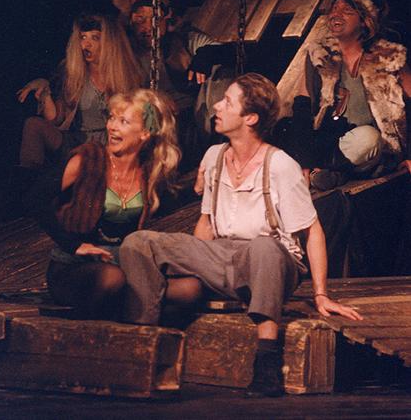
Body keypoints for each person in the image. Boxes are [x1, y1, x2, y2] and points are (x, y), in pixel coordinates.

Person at [119, 73, 361, 397]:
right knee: (139, 242)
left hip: (271, 259)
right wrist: (197, 263)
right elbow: (206, 222)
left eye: (227, 102)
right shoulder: (214, 157)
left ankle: (266, 359)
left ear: (250, 118)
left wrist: (320, 294)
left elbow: (312, 229)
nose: (217, 106)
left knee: (264, 247)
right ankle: (145, 339)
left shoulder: (281, 165)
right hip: (223, 254)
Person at [30, 89, 201, 320]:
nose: (112, 127)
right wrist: (73, 245)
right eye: (112, 118)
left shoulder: (147, 172)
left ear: (145, 133)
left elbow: (170, 200)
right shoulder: (88, 160)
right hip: (75, 267)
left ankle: (132, 314)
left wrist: (198, 187)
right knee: (112, 279)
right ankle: (124, 315)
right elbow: (35, 199)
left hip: (124, 264)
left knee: (189, 289)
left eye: (123, 121)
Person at [287, 0, 411, 190]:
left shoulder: (388, 58)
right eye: (334, 9)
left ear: (364, 21)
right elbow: (302, 107)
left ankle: (333, 174)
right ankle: (330, 173)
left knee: (368, 138)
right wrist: (304, 162)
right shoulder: (321, 57)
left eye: (347, 11)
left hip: (374, 149)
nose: (336, 14)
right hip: (332, 146)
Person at [17, 13, 142, 169]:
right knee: (33, 125)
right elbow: (56, 118)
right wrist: (46, 93)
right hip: (77, 143)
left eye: (95, 38)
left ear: (109, 43)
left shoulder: (127, 74)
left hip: (113, 145)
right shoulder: (73, 73)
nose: (86, 44)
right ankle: (27, 178)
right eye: (83, 37)